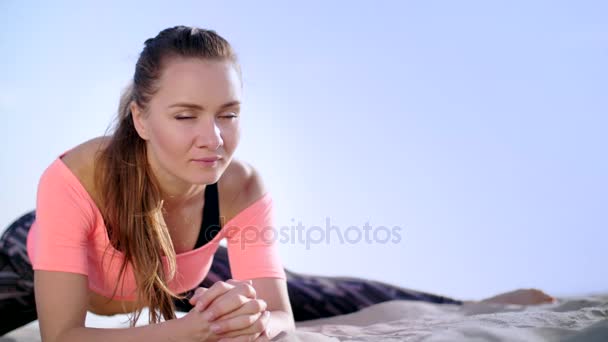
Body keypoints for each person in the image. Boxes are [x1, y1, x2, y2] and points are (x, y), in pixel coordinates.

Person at [0, 25, 556, 341]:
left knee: (322, 293)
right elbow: (62, 337)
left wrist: (250, 323)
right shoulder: (78, 177)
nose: (213, 138)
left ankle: (465, 305)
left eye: (229, 113)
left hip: (183, 265)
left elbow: (282, 313)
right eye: (185, 115)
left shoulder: (240, 187)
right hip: (35, 262)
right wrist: (190, 334)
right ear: (142, 120)